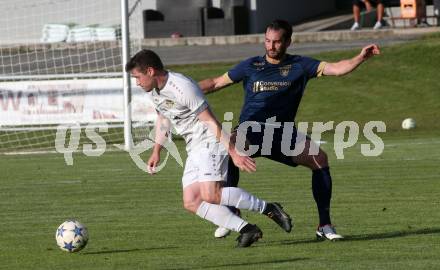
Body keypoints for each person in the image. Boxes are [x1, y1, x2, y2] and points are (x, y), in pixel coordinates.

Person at [198, 19, 380, 241]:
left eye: (276, 42)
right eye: (267, 41)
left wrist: (360, 57)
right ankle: (232, 213)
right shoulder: (250, 65)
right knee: (230, 148)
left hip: (282, 134)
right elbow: (215, 83)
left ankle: (324, 225)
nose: (271, 46)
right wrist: (186, 91)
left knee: (319, 159)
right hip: (251, 131)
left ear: (287, 42)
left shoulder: (300, 65)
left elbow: (336, 68)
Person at [126, 49, 292, 248]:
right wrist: (156, 150)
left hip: (209, 141)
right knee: (191, 201)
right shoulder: (153, 91)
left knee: (211, 195)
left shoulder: (182, 87)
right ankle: (248, 229)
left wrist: (233, 152)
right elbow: (163, 118)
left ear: (150, 71)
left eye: (137, 77)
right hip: (193, 145)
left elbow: (210, 122)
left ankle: (269, 208)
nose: (137, 82)